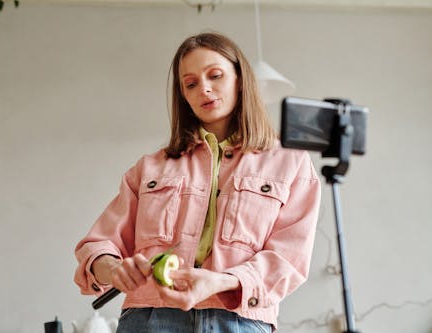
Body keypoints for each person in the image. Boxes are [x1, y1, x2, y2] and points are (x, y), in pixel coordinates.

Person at [74, 31, 321, 332]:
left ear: (240, 79)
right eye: (190, 84)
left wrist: (221, 282)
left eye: (215, 75)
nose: (204, 88)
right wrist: (114, 269)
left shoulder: (290, 162)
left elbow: (288, 259)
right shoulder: (150, 168)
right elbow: (97, 245)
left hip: (239, 321)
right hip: (149, 319)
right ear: (184, 96)